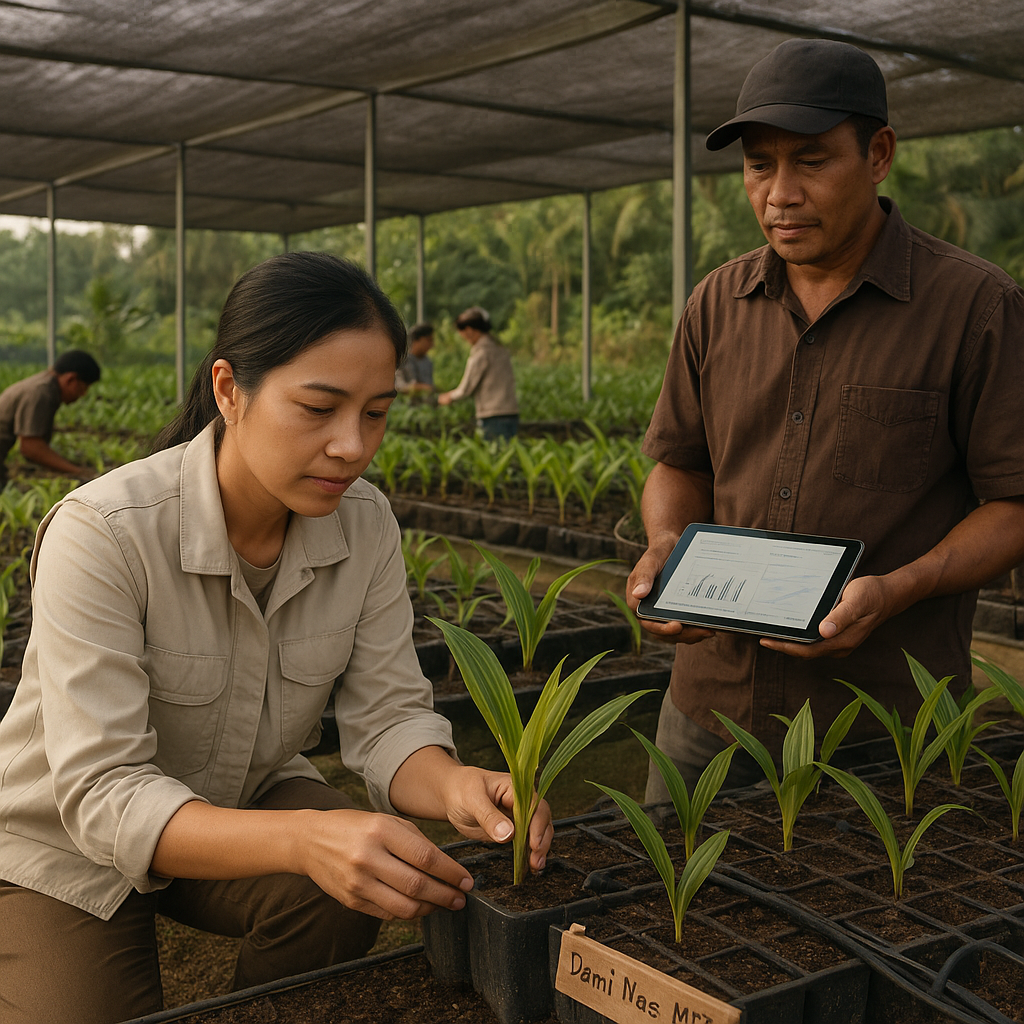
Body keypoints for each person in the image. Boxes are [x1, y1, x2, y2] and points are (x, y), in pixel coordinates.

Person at [0, 252, 552, 1024]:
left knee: (351, 882)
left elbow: (390, 719)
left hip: (235, 795)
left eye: (376, 413)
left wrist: (456, 784)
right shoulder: (106, 532)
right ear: (230, 390)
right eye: (318, 408)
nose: (353, 447)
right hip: (60, 842)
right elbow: (102, 793)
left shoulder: (366, 526)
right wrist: (303, 839)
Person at [627, 38, 1024, 800]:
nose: (779, 193)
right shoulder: (717, 302)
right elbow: (681, 462)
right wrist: (665, 546)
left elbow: (1013, 503)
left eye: (810, 161)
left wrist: (900, 587)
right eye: (758, 165)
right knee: (672, 908)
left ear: (878, 154)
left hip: (882, 727)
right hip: (708, 714)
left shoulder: (975, 308)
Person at [0, 348, 101, 487]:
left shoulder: (44, 384)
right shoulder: (42, 393)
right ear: (71, 378)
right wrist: (80, 472)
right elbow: (30, 447)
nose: (83, 394)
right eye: (83, 388)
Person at [437, 306, 519, 440]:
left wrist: (448, 397)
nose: (464, 338)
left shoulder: (481, 353)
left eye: (462, 333)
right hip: (511, 412)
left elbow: (466, 388)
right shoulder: (500, 348)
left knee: (493, 457)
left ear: (469, 330)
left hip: (493, 415)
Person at [395, 321, 436, 395]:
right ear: (417, 340)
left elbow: (430, 386)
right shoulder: (403, 360)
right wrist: (419, 388)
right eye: (428, 340)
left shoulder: (427, 362)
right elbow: (398, 386)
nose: (431, 344)